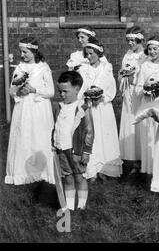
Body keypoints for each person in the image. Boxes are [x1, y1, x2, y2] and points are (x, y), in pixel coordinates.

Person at [5, 37, 55, 185]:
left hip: (38, 107)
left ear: (34, 51)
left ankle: (42, 171)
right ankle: (22, 173)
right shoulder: (19, 68)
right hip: (23, 108)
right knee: (24, 136)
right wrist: (18, 91)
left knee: (38, 136)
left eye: (25, 52)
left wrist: (34, 89)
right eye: (21, 52)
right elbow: (11, 90)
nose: (22, 55)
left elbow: (51, 91)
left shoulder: (43, 67)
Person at [78, 37, 122, 180]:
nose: (89, 57)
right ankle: (92, 169)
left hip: (103, 107)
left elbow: (111, 88)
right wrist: (87, 98)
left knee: (104, 136)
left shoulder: (106, 68)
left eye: (92, 54)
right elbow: (80, 88)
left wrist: (103, 98)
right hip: (89, 107)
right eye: (87, 54)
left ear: (98, 53)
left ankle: (104, 168)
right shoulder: (84, 69)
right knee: (92, 136)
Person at [52, 71, 94, 210]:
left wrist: (86, 151)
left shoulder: (82, 107)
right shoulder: (59, 107)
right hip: (61, 148)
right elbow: (55, 126)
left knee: (79, 177)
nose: (62, 94)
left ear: (77, 89)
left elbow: (89, 131)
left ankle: (81, 207)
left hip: (76, 150)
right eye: (60, 91)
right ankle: (69, 207)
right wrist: (53, 143)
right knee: (68, 177)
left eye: (65, 91)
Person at [135, 36, 159, 174]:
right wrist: (145, 88)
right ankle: (149, 169)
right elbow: (137, 88)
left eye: (155, 49)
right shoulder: (144, 66)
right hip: (148, 103)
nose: (152, 52)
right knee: (148, 136)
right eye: (149, 49)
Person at [118, 26, 147, 172]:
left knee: (138, 122)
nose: (130, 44)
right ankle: (130, 158)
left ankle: (141, 158)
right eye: (128, 41)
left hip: (138, 92)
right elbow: (122, 71)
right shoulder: (128, 54)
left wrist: (132, 78)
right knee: (128, 122)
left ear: (140, 40)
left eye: (133, 40)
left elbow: (143, 73)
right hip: (128, 92)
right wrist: (123, 76)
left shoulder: (144, 55)